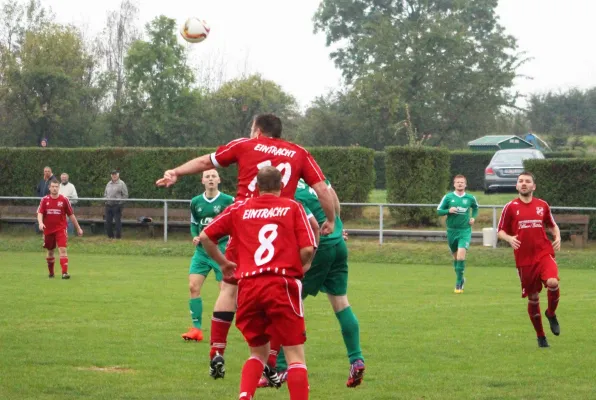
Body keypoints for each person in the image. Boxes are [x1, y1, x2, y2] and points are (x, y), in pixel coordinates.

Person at [156, 113, 335, 378]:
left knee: (229, 290)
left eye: (252, 129)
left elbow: (207, 161)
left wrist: (176, 172)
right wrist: (330, 219)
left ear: (258, 130)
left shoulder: (245, 145)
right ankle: (271, 362)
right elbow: (322, 189)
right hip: (281, 229)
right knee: (281, 295)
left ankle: (217, 351)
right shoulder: (299, 152)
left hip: (244, 222)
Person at [200, 167, 316, 400]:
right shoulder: (292, 207)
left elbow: (205, 236)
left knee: (257, 353)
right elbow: (308, 248)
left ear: (256, 186)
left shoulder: (239, 208)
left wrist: (223, 263)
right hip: (281, 283)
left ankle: (245, 396)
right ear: (281, 186)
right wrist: (302, 266)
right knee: (295, 355)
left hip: (249, 287)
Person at [260, 178, 365, 389]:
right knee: (341, 302)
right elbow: (334, 202)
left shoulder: (284, 188)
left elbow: (310, 224)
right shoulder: (311, 177)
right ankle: (356, 359)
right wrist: (335, 225)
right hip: (337, 243)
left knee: (285, 302)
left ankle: (281, 368)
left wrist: (307, 256)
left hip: (319, 246)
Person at [497, 171, 562, 348]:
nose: (523, 183)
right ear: (517, 186)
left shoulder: (542, 205)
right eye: (520, 181)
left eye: (527, 181)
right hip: (524, 259)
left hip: (543, 252)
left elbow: (551, 224)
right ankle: (541, 336)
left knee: (552, 282)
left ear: (533, 186)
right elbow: (500, 230)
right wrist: (509, 238)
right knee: (533, 297)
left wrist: (557, 236)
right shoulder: (510, 207)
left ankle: (551, 312)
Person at [182, 169, 234, 342]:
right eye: (207, 177)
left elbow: (235, 224)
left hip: (221, 252)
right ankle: (196, 329)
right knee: (193, 287)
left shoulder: (228, 201)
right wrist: (195, 235)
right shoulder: (195, 202)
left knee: (226, 293)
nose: (211, 179)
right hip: (202, 252)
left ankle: (224, 330)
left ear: (219, 179)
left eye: (213, 176)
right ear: (202, 181)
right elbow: (194, 224)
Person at [436, 175, 479, 293]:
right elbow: (439, 211)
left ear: (465, 185)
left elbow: (475, 208)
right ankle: (461, 278)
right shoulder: (448, 197)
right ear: (454, 184)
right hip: (451, 231)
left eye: (462, 182)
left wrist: (473, 218)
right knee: (456, 258)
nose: (460, 184)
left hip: (464, 230)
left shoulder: (470, 198)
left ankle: (458, 284)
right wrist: (448, 211)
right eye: (457, 182)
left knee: (461, 256)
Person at [37, 178, 84, 279]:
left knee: (62, 249)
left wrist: (78, 228)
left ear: (59, 188)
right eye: (52, 187)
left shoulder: (64, 200)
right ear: (49, 188)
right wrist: (40, 223)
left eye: (56, 187)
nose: (54, 188)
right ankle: (51, 273)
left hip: (61, 229)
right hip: (48, 230)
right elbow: (40, 213)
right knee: (50, 251)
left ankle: (64, 273)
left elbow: (71, 215)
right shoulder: (44, 200)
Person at [104, 170, 128, 239]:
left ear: (118, 175)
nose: (114, 176)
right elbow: (105, 194)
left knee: (117, 222)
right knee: (108, 222)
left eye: (115, 174)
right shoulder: (108, 183)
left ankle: (118, 237)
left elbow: (125, 195)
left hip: (117, 206)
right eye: (112, 174)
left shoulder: (122, 183)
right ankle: (110, 236)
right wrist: (105, 201)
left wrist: (120, 204)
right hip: (108, 205)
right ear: (111, 175)